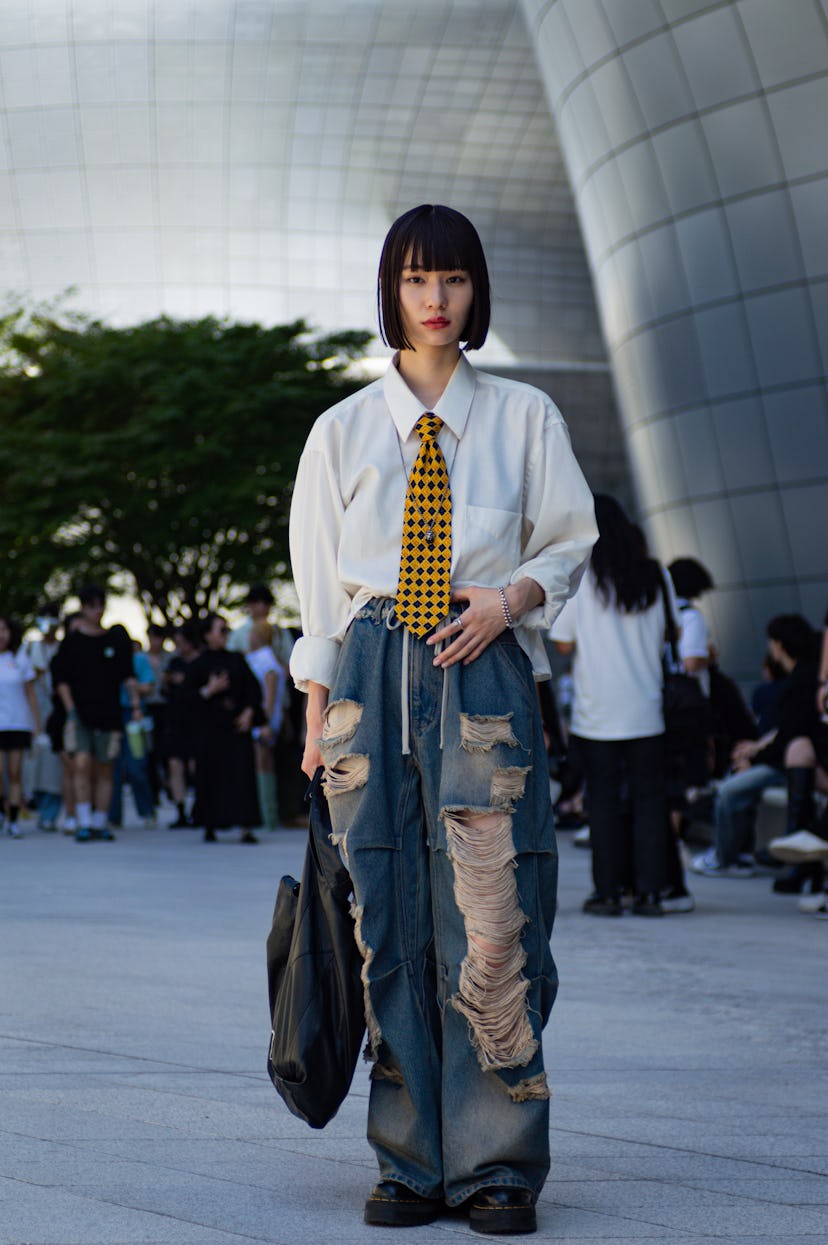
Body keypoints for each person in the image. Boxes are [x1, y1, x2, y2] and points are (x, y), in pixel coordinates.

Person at [289, 204, 597, 1235]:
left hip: (481, 665)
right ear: (392, 289)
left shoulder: (523, 416)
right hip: (371, 669)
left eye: (455, 279)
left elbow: (568, 543)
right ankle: (411, 1157)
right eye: (418, 279)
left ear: (476, 292)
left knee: (492, 915)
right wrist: (316, 718)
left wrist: (508, 601)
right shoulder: (340, 431)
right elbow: (319, 594)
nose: (435, 300)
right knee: (385, 918)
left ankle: (498, 1158)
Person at [552, 494, 691, 917]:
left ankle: (608, 893)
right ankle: (650, 893)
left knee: (604, 803)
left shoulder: (584, 577)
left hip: (597, 715)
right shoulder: (654, 574)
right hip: (647, 710)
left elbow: (562, 641)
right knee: (651, 802)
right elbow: (674, 633)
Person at [690, 614, 820, 887]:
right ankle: (742, 855)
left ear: (778, 644)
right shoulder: (803, 678)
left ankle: (726, 858)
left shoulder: (804, 681)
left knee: (730, 790)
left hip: (789, 761)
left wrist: (756, 756)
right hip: (787, 758)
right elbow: (787, 731)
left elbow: (792, 735)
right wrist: (756, 749)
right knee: (738, 784)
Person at [52, 585, 140, 842]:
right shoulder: (72, 642)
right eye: (91, 605)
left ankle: (101, 822)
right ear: (83, 608)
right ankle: (84, 820)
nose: (97, 610)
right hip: (80, 714)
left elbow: (128, 676)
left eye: (100, 604)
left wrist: (135, 705)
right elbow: (61, 680)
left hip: (109, 713)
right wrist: (71, 710)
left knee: (105, 767)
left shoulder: (116, 640)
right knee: (80, 764)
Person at [183, 613, 262, 844]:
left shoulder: (236, 659)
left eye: (227, 630)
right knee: (211, 776)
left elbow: (253, 689)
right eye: (221, 630)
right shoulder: (197, 665)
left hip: (236, 728)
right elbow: (185, 698)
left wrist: (249, 711)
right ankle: (210, 823)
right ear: (207, 635)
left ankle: (246, 826)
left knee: (241, 776)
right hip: (210, 730)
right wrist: (209, 690)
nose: (225, 635)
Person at [0, 614, 43, 837]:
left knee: (15, 773)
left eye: (4, 630)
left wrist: (36, 724)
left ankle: (14, 819)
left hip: (17, 723)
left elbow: (30, 693)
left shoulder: (19, 658)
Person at [245, 620, 286, 831]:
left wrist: (265, 723)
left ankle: (265, 816)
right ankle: (267, 815)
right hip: (268, 721)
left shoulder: (264, 661)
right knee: (266, 765)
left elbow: (269, 697)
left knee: (261, 765)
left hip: (262, 723)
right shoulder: (272, 659)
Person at [27, 610, 64, 830]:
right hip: (33, 714)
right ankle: (34, 806)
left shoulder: (62, 649)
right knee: (33, 766)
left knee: (53, 765)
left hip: (55, 712)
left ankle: (50, 813)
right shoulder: (30, 648)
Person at [164, 621, 202, 828]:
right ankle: (180, 810)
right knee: (175, 765)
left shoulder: (200, 663)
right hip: (176, 719)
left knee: (196, 766)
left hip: (196, 721)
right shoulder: (174, 663)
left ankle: (198, 807)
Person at [227, 584, 274, 654]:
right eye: (260, 603)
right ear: (250, 604)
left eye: (267, 603)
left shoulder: (279, 632)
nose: (264, 607)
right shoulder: (238, 634)